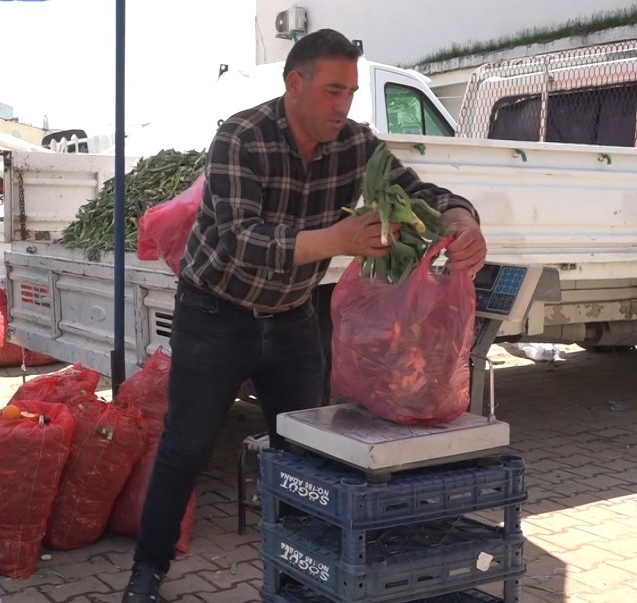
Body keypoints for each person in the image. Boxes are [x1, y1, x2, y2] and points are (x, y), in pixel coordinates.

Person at [120, 29, 487, 602]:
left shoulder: (356, 144)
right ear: (295, 83)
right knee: (186, 445)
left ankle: (301, 567)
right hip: (216, 313)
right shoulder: (241, 136)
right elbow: (240, 238)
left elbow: (418, 192)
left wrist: (463, 220)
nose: (343, 106)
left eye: (350, 93)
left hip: (291, 316)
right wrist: (335, 237)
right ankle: (149, 571)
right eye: (332, 91)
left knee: (305, 453)